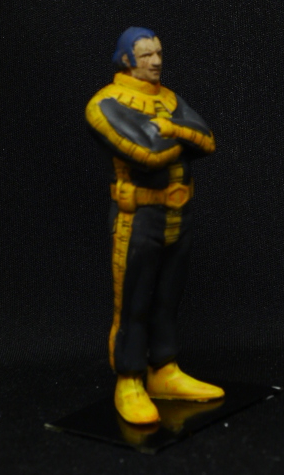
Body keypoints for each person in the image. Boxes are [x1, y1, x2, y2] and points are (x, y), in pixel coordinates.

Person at [85, 27, 224, 424]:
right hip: (138, 217)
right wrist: (183, 137)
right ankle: (129, 379)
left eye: (159, 53)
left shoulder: (170, 99)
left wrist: (173, 129)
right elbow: (149, 152)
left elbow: (208, 140)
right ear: (126, 59)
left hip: (178, 213)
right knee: (134, 301)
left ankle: (163, 369)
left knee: (168, 297)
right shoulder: (106, 103)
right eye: (147, 55)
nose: (157, 61)